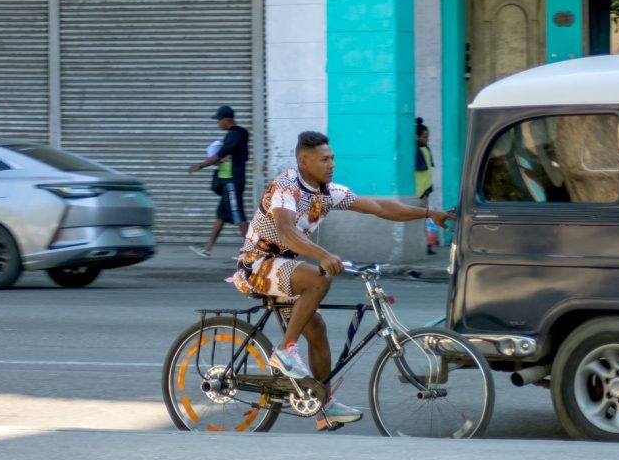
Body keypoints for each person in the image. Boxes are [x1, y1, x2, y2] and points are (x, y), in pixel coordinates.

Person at [229, 131, 455, 431]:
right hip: (256, 265)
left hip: (283, 270)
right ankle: (284, 351)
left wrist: (428, 213)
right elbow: (285, 230)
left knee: (318, 330)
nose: (331, 163)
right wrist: (322, 255)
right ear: (303, 161)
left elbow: (380, 207)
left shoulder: (327, 193)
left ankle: (323, 407)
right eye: (324, 159)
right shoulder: (286, 187)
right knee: (318, 280)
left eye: (332, 158)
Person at [187, 105, 249, 258]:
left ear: (227, 120)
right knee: (221, 215)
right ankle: (207, 248)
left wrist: (200, 165)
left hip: (233, 181)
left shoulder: (234, 134)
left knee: (238, 215)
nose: (217, 124)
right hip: (229, 182)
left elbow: (220, 155)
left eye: (219, 120)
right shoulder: (235, 134)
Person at [415, 117, 438, 254]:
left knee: (425, 217)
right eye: (424, 137)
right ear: (416, 137)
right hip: (418, 189)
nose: (427, 139)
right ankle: (424, 244)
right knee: (421, 217)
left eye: (427, 137)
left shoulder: (426, 149)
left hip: (425, 188)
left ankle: (427, 244)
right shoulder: (414, 151)